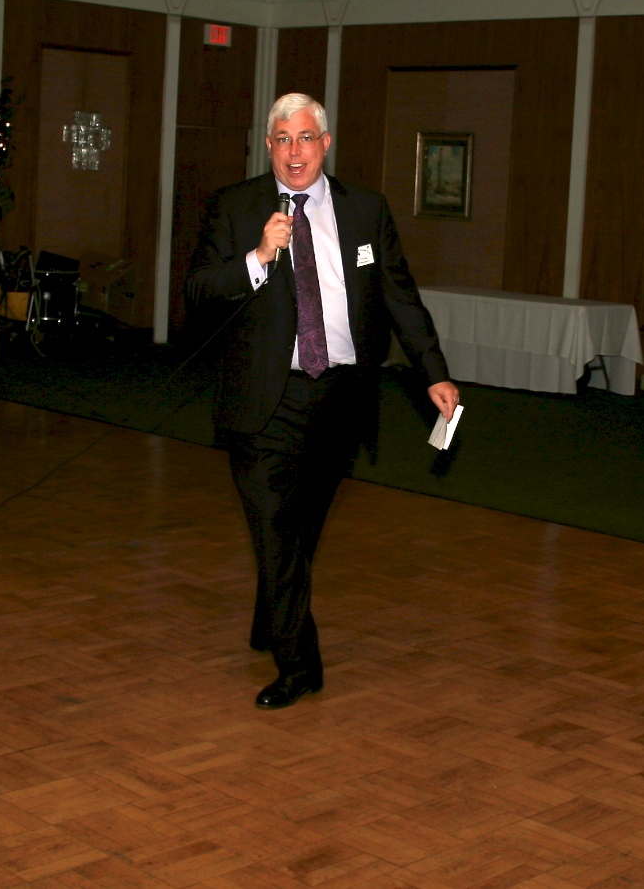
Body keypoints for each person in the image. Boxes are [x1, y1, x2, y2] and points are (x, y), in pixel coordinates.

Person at [185, 93, 459, 710]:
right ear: (269, 146)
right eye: (282, 140)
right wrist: (257, 258)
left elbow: (398, 296)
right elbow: (200, 289)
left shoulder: (366, 210)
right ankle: (299, 664)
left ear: (325, 144)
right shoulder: (236, 207)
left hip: (337, 398)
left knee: (298, 531)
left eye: (305, 139)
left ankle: (271, 617)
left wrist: (432, 374)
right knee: (278, 531)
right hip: (265, 400)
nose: (294, 152)